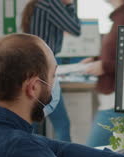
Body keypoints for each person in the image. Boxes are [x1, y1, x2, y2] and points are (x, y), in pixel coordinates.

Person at [21, 0, 82, 142]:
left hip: (34, 68)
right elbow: (75, 29)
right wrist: (70, 5)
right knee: (62, 125)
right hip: (43, 69)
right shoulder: (51, 4)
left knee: (32, 124)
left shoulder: (40, 4)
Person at [84, 0, 124, 147]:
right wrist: (97, 60)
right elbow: (119, 54)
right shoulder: (120, 17)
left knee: (90, 155)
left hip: (118, 103)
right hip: (115, 101)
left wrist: (104, 66)